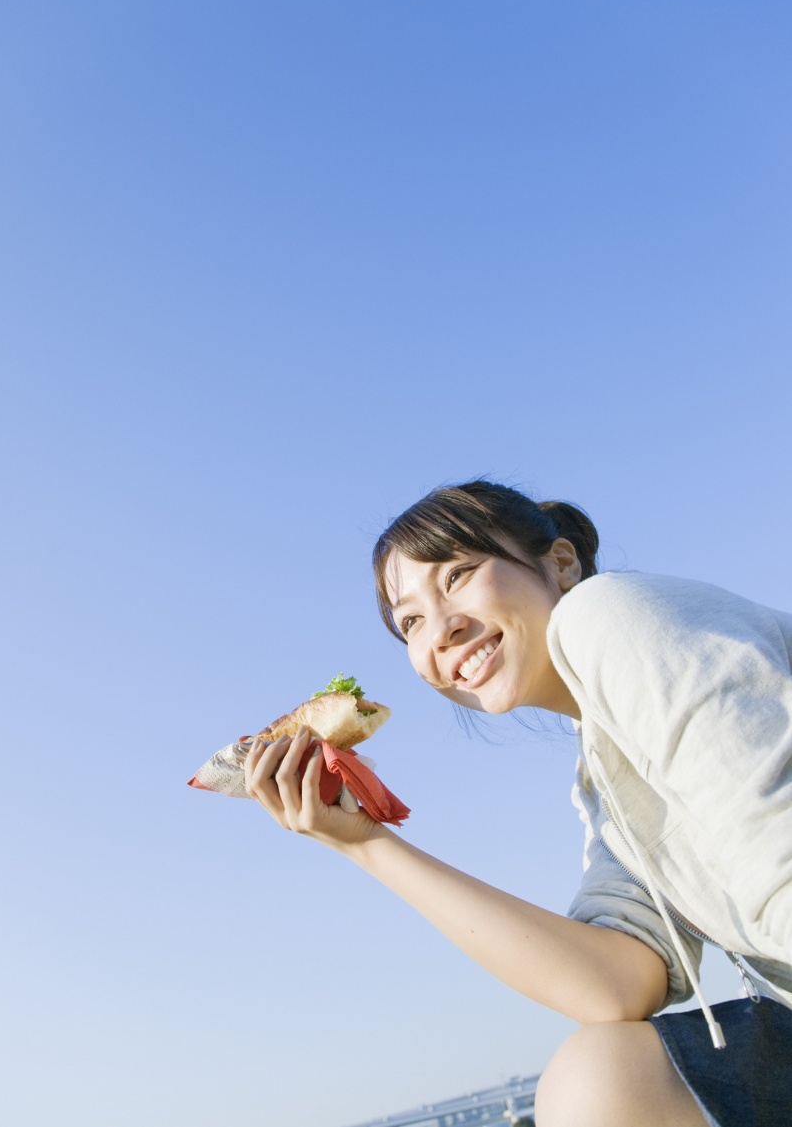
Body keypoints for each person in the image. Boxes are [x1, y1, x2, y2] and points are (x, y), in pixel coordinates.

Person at [243, 480, 792, 1127]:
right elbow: (614, 983)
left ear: (560, 564)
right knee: (599, 1075)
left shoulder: (607, 613)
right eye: (409, 620)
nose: (440, 629)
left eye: (460, 574)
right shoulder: (602, 774)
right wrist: (364, 842)